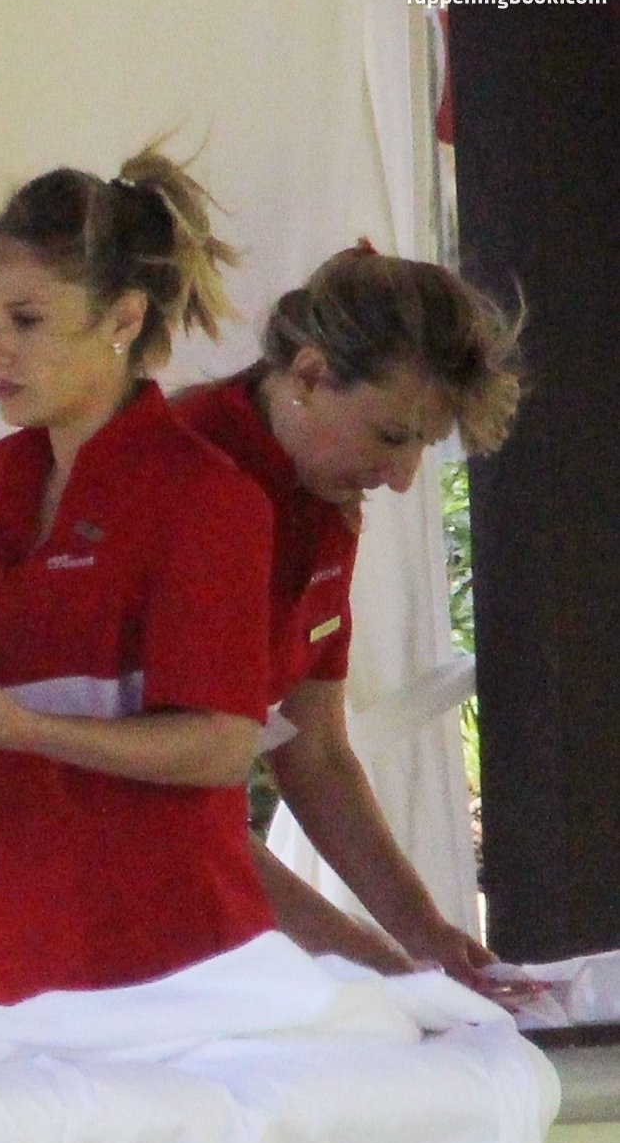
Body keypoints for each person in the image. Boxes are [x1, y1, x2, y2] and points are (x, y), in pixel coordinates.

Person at [0, 149, 279, 1008]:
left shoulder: (205, 497)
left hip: (130, 943)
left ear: (124, 318)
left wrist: (25, 729)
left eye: (27, 320)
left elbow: (221, 745)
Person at [173, 244, 523, 987]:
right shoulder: (189, 478)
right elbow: (172, 812)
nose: (400, 478)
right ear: (308, 374)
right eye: (392, 437)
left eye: (421, 446)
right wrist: (386, 972)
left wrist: (427, 936)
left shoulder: (325, 495)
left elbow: (316, 751)